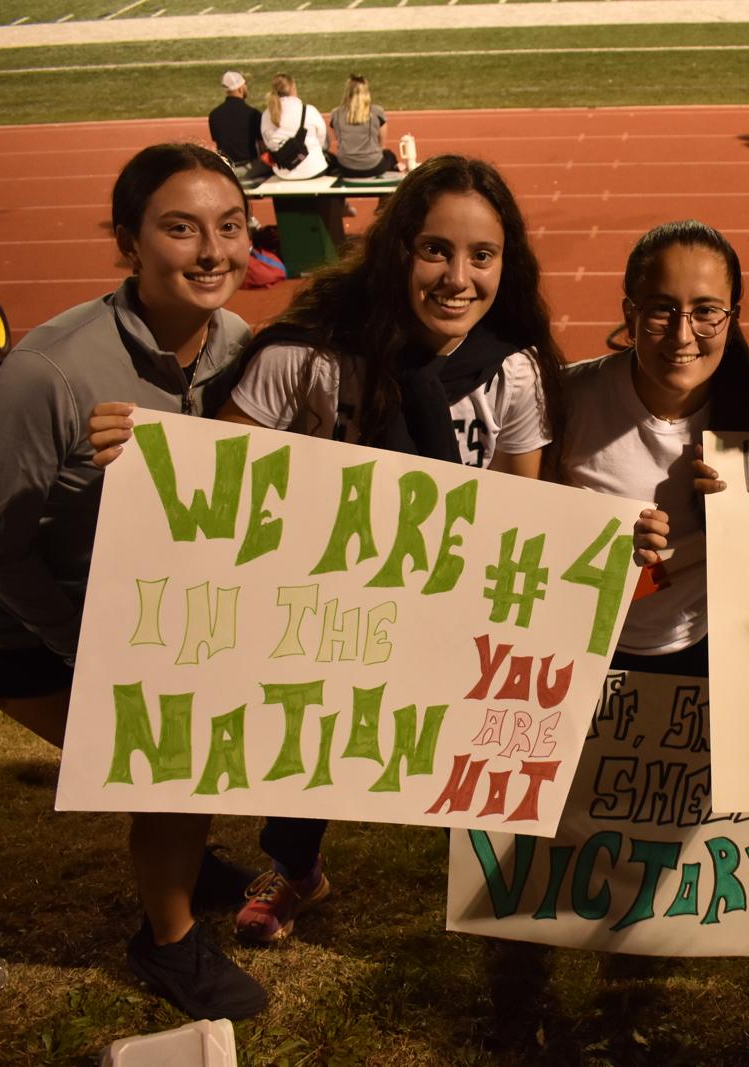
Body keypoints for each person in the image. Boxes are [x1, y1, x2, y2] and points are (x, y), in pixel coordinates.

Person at [0, 143, 267, 1021]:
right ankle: (169, 945)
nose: (212, 251)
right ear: (128, 242)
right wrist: (99, 652)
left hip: (134, 604)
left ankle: (183, 863)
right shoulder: (49, 372)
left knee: (201, 748)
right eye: (180, 228)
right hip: (12, 622)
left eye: (229, 226)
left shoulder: (236, 343)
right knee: (169, 765)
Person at [200, 155, 563, 943]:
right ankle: (296, 867)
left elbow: (523, 505)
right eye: (435, 249)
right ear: (397, 248)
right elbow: (213, 478)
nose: (457, 277)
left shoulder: (512, 369)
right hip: (326, 592)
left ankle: (489, 868)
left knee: (471, 727)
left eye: (482, 255)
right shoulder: (307, 355)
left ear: (507, 264)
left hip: (453, 586)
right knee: (316, 730)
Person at [562, 221, 749, 679]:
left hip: (713, 654)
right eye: (663, 310)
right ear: (631, 315)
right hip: (581, 653)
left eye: (706, 311)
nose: (683, 335)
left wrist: (746, 518)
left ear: (732, 317)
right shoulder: (567, 400)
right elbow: (514, 532)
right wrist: (597, 546)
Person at [327, 74, 401, 177]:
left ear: (347, 92)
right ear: (366, 92)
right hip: (374, 166)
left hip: (346, 167)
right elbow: (382, 145)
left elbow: (338, 139)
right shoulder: (377, 111)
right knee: (389, 155)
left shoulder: (336, 114)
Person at [260, 72, 329, 180]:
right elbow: (322, 139)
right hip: (314, 170)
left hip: (283, 173)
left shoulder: (266, 115)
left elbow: (269, 143)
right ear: (293, 89)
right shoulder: (309, 110)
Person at [208, 70, 264, 176]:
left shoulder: (214, 115)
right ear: (240, 88)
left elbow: (218, 141)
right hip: (250, 169)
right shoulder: (253, 113)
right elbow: (262, 145)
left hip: (227, 170)